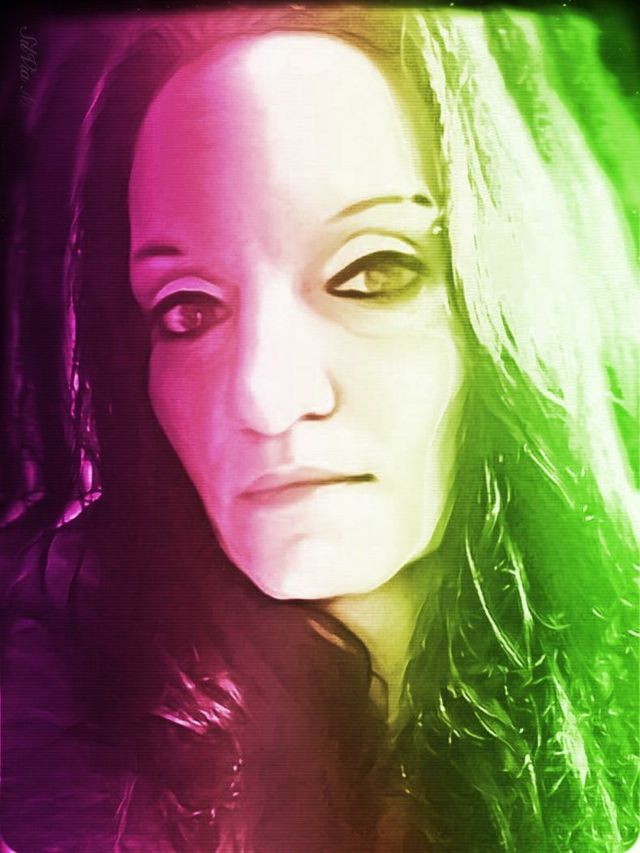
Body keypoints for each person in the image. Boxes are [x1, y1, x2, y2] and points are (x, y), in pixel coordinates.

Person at [1, 4, 638, 851]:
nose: (264, 396)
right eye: (188, 309)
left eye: (374, 271)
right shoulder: (48, 705)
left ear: (518, 297)